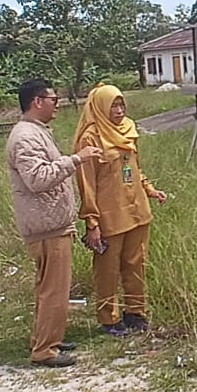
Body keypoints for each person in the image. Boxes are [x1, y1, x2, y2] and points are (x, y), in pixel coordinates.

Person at [6, 78, 102, 368]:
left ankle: (48, 338)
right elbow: (37, 179)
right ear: (38, 102)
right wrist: (76, 160)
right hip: (46, 228)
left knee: (49, 288)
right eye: (53, 100)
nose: (56, 105)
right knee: (54, 291)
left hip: (52, 224)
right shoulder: (25, 137)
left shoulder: (37, 132)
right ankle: (45, 349)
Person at [75, 83, 168, 337]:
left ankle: (135, 313)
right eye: (113, 105)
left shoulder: (128, 128)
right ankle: (109, 318)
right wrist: (92, 222)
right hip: (110, 215)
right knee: (108, 268)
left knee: (136, 262)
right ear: (100, 107)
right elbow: (87, 183)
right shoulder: (91, 137)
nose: (118, 110)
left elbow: (135, 168)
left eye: (121, 104)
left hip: (137, 209)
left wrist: (149, 189)